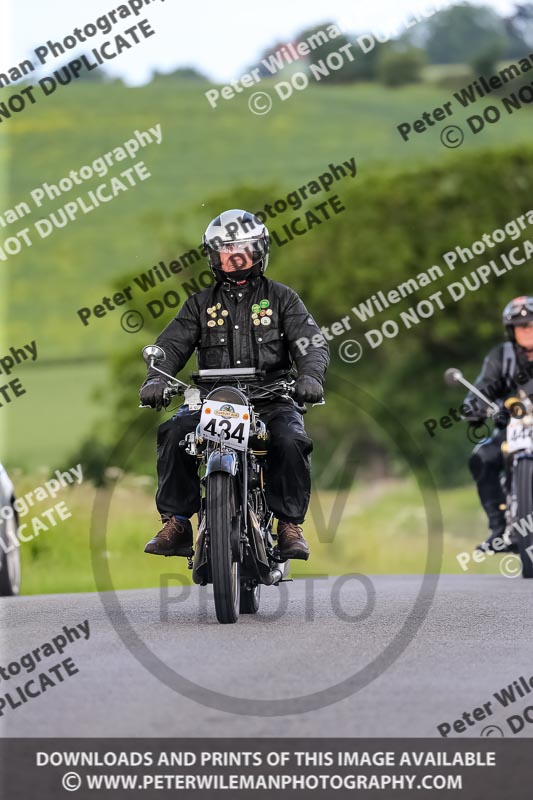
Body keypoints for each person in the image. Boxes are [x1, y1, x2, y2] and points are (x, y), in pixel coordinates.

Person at [139, 209, 329, 561]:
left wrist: (310, 377)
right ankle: (178, 523)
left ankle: (288, 525)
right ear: (213, 257)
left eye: (242, 250)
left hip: (271, 398)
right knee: (174, 432)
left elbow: (311, 343)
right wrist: (155, 378)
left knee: (290, 440)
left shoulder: (283, 299)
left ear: (259, 252)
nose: (234, 258)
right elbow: (169, 347)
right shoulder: (199, 304)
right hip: (213, 401)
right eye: (226, 251)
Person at [464, 296, 533, 551]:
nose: (526, 329)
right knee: (481, 456)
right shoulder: (501, 357)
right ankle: (498, 528)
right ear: (511, 330)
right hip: (512, 429)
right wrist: (474, 406)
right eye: (520, 325)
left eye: (531, 323)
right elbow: (481, 388)